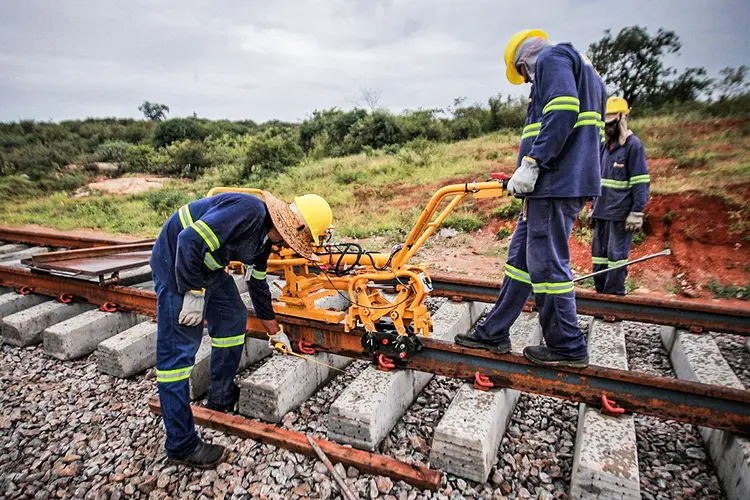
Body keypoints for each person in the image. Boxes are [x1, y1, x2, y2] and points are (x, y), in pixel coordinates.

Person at [455, 29, 606, 368]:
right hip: (556, 182)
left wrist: (534, 163)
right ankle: (494, 332)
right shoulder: (588, 71)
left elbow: (563, 112)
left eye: (522, 76)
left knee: (548, 265)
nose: (526, 83)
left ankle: (568, 346)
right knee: (521, 261)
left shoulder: (552, 59)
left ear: (525, 62)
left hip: (554, 181)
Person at [150, 190, 332, 468]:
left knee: (233, 317)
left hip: (206, 268)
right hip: (176, 264)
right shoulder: (248, 212)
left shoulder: (263, 243)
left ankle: (220, 396)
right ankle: (181, 444)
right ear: (294, 228)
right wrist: (193, 292)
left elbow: (258, 287)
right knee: (177, 357)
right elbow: (188, 240)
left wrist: (274, 331)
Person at [590, 97, 650, 294]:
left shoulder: (633, 146)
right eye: (605, 123)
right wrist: (592, 209)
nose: (608, 127)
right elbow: (598, 180)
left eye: (611, 123)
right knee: (598, 259)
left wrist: (637, 212)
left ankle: (614, 299)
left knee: (616, 259)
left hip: (620, 215)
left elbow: (640, 182)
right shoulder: (605, 147)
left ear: (622, 118)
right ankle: (601, 298)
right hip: (601, 214)